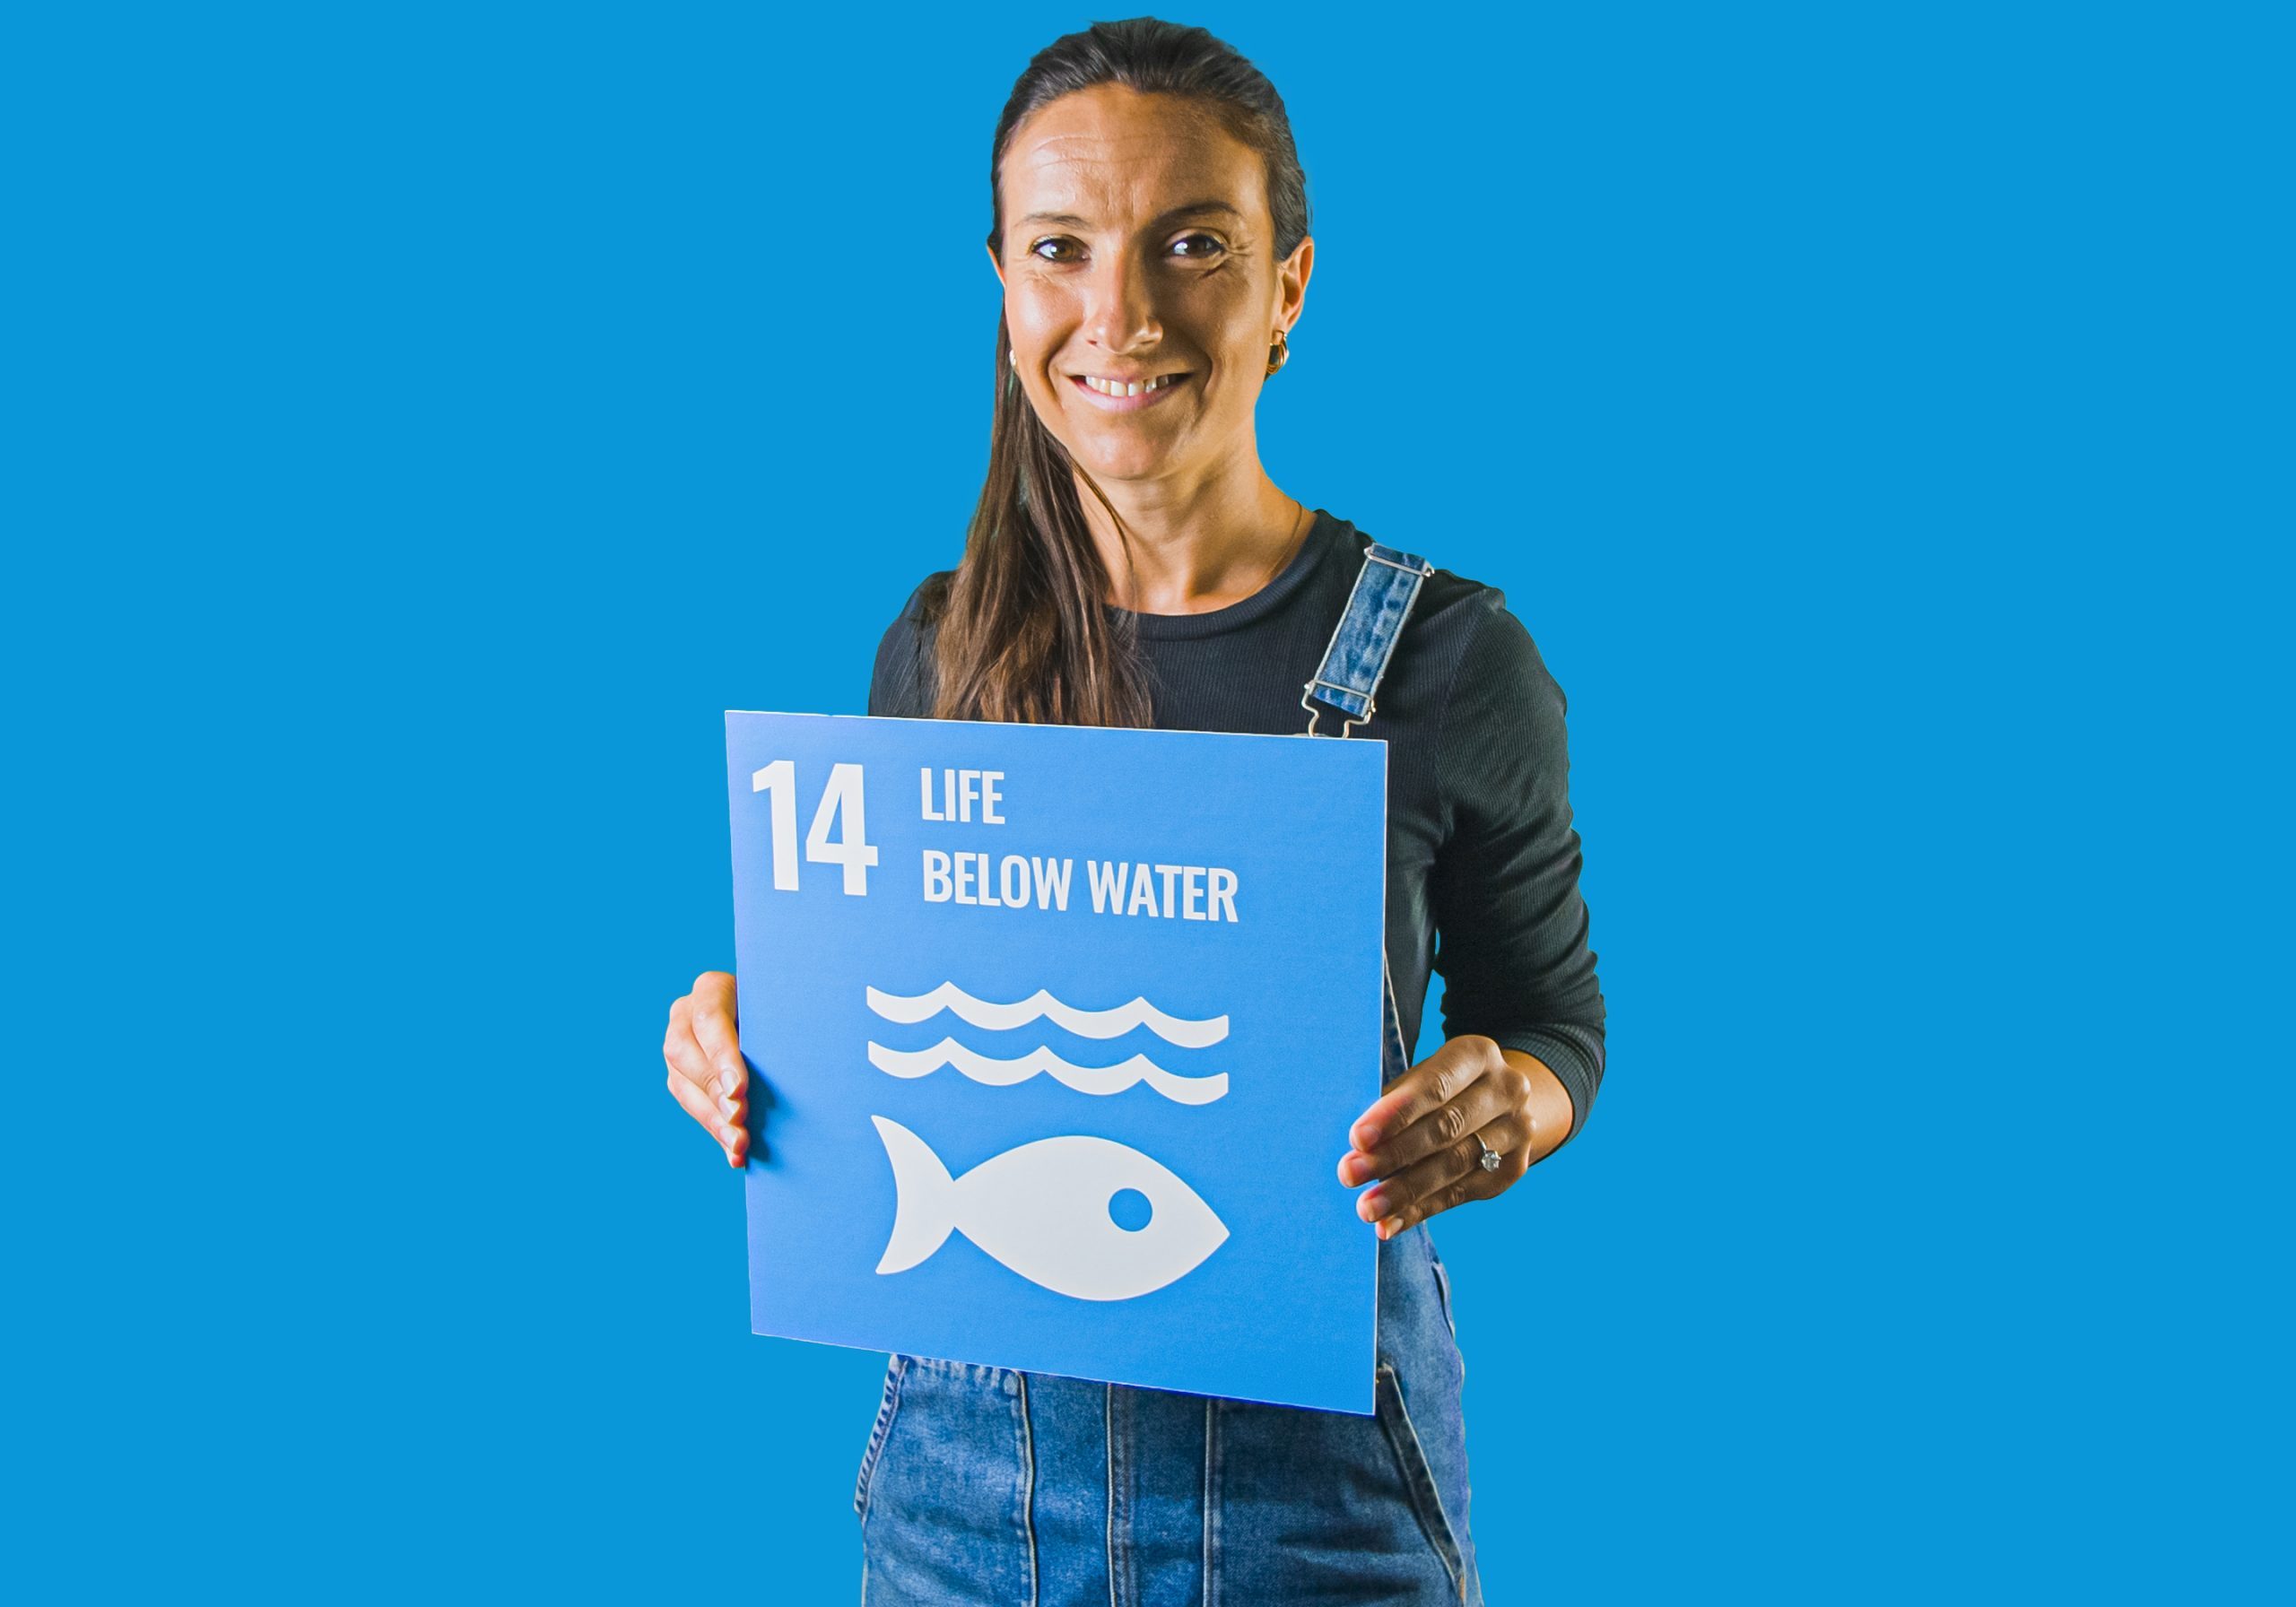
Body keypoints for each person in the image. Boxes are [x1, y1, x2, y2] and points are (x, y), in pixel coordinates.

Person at [662, 18, 1605, 1603]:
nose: (1123, 315)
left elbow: (1554, 1023)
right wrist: (753, 1038)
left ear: (1288, 283)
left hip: (1321, 1514)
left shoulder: (1452, 663)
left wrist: (1511, 1097)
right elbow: (878, 1031)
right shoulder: (934, 648)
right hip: (957, 1502)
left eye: (1192, 245)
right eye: (1061, 250)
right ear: (1005, 285)